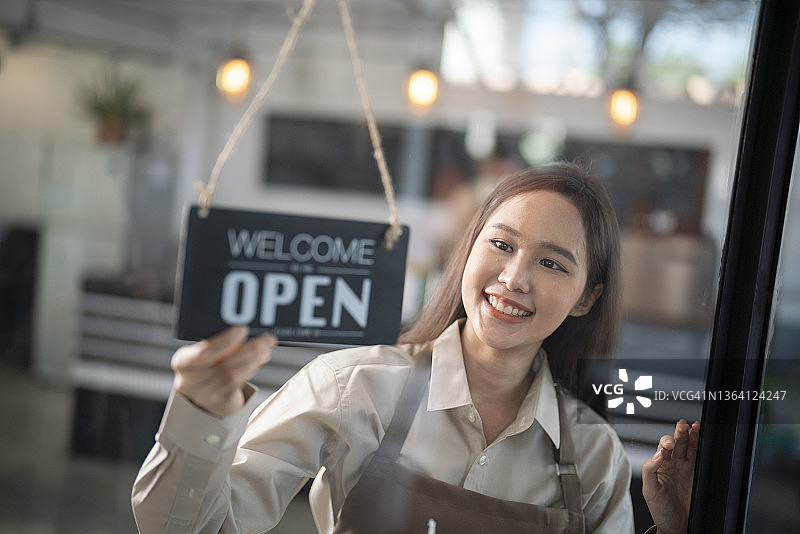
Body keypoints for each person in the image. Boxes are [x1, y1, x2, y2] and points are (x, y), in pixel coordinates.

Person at [132, 162, 699, 534]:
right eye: (501, 245)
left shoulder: (594, 455)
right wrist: (202, 415)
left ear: (585, 298)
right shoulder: (353, 386)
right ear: (467, 251)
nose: (514, 277)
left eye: (552, 263)